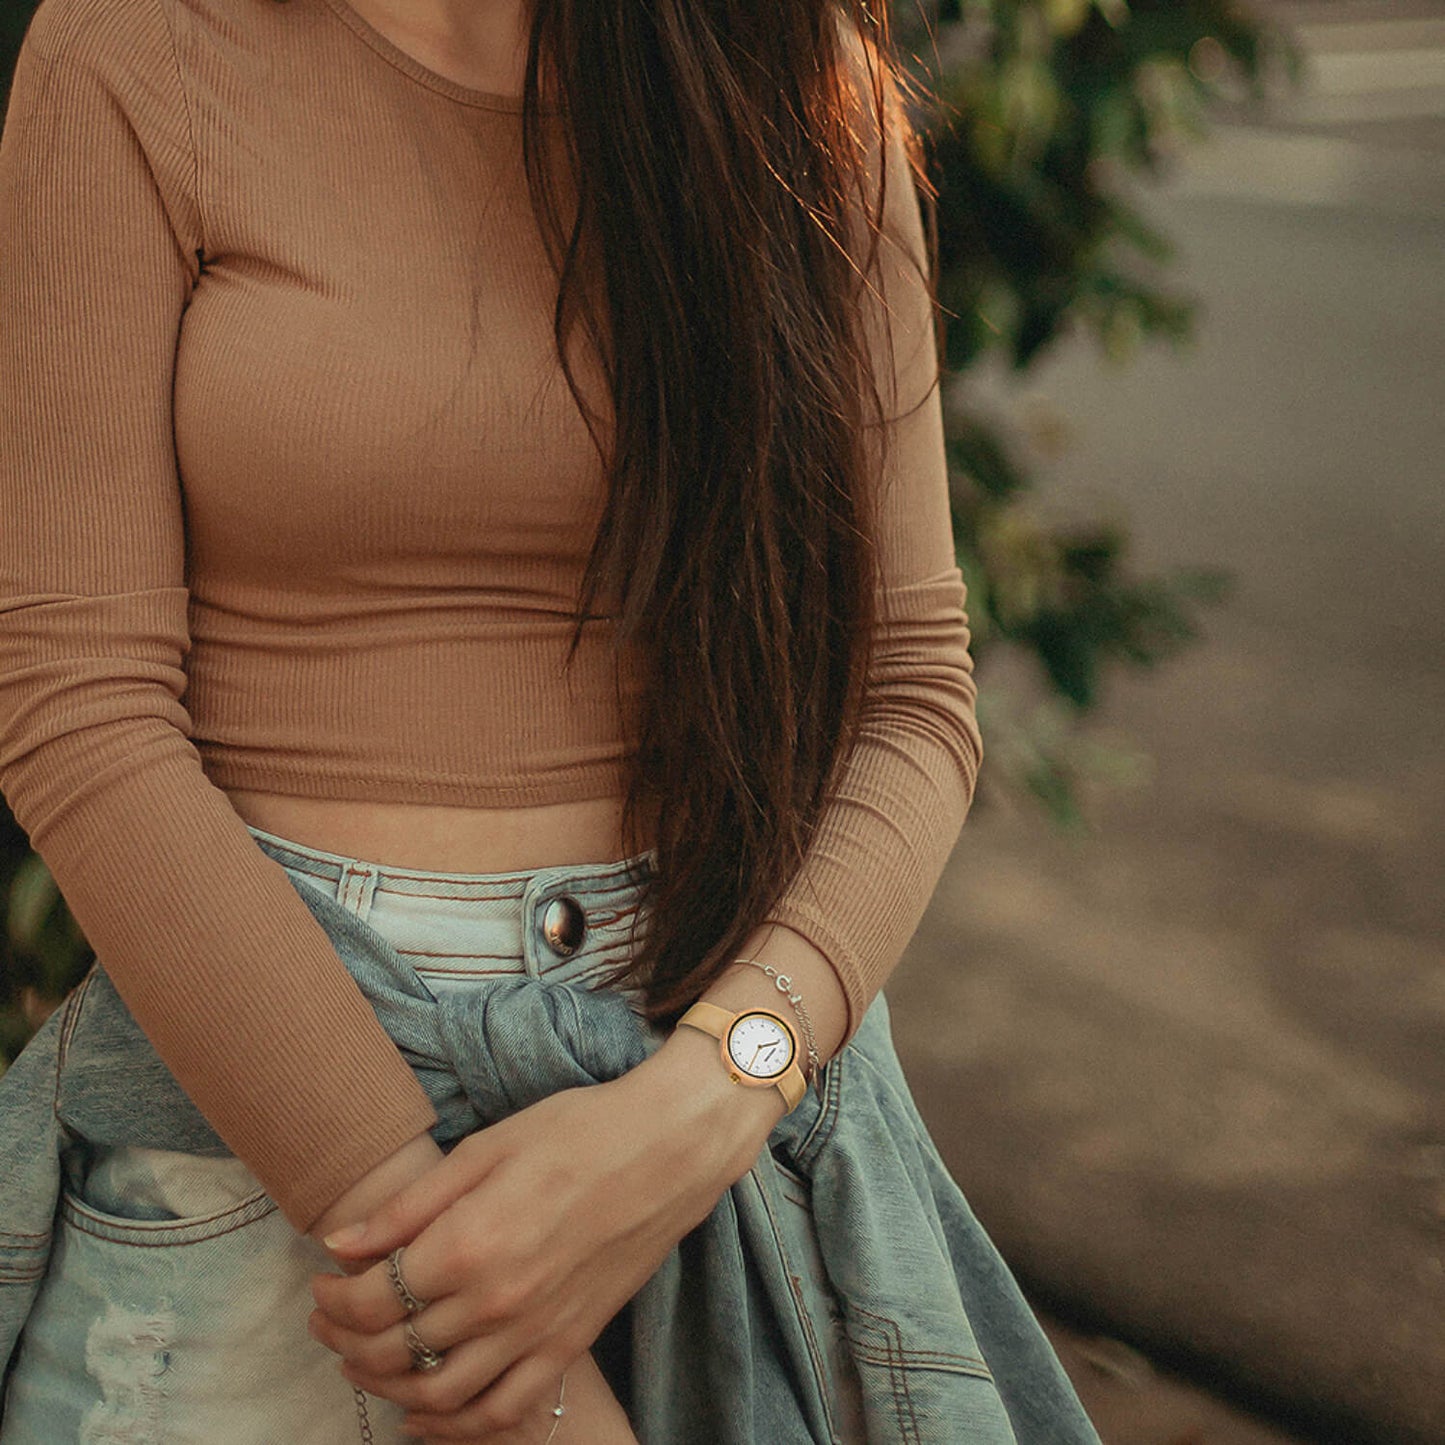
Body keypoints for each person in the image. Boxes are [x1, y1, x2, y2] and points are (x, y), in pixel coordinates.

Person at [0, 0, 1104, 1439]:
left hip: (700, 1099)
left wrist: (697, 1110)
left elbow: (908, 688)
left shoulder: (783, 75)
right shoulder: (140, 53)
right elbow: (77, 709)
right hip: (263, 1127)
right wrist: (436, 1268)